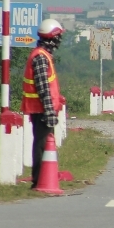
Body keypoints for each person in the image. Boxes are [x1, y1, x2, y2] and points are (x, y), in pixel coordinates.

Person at [21, 19, 65, 189]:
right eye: (58, 37)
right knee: (41, 144)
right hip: (41, 109)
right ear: (52, 38)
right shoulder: (40, 57)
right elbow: (43, 87)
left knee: (45, 143)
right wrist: (49, 111)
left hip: (41, 108)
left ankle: (45, 176)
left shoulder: (43, 55)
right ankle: (39, 180)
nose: (59, 41)